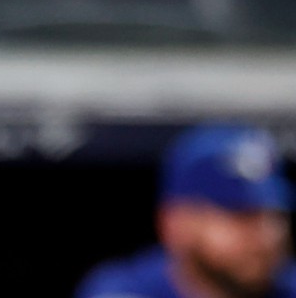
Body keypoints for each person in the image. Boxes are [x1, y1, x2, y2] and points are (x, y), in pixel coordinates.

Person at [75, 122, 296, 298]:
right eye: (240, 215)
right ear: (174, 224)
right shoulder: (124, 290)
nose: (267, 234)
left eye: (274, 216)